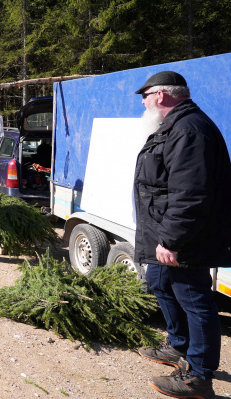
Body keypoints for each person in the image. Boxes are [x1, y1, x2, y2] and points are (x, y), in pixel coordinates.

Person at [131, 71, 231, 399]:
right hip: (168, 233)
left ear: (160, 95)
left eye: (145, 97)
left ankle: (198, 376)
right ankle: (179, 346)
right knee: (160, 283)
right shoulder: (175, 126)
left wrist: (172, 239)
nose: (143, 104)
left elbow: (192, 193)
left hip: (186, 239)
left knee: (194, 298)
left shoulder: (189, 130)